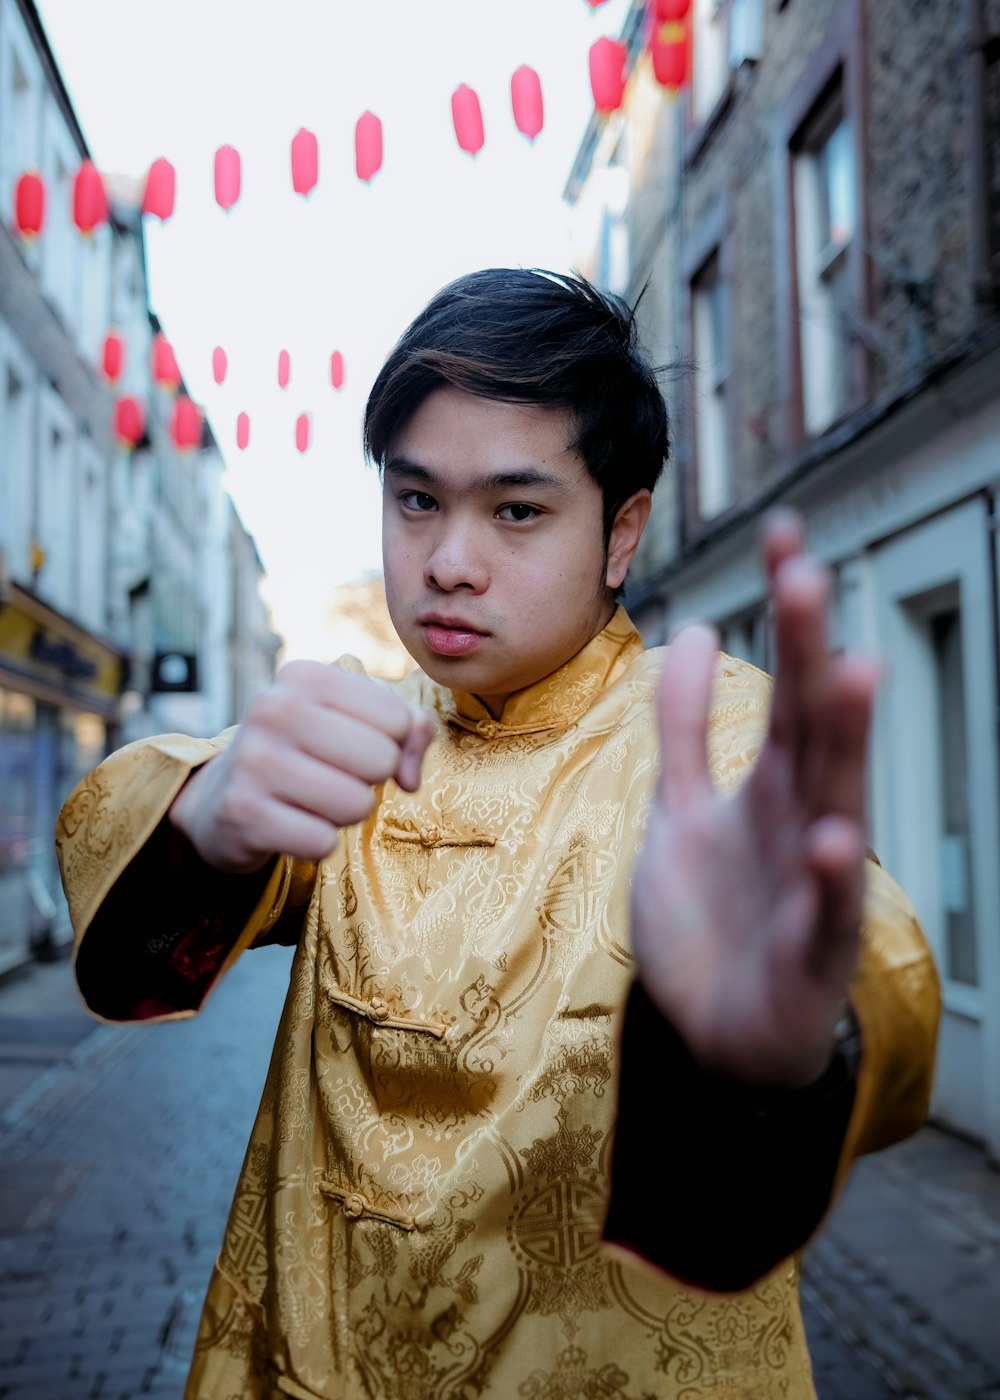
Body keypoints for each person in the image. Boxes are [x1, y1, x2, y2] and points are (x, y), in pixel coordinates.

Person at [56, 268, 939, 1400]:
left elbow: (861, 936)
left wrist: (797, 1045)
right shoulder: (355, 735)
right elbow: (130, 891)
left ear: (622, 530)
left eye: (515, 510)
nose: (447, 561)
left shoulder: (706, 728)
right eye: (416, 499)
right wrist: (205, 817)